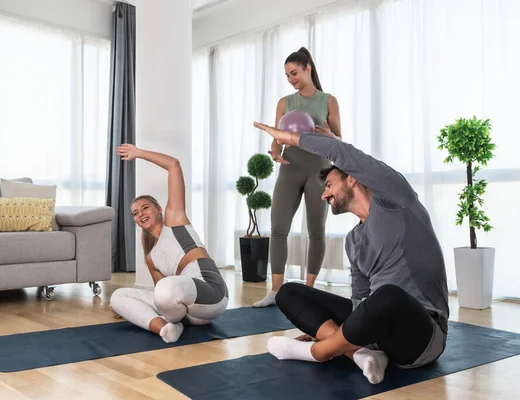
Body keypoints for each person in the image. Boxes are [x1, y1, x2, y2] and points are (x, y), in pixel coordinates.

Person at [252, 121, 449, 385]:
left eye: (329, 185)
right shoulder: (354, 240)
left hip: (421, 336)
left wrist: (287, 136)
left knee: (388, 296)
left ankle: (320, 351)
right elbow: (359, 300)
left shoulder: (396, 199)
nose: (324, 195)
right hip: (377, 333)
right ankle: (358, 352)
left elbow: (346, 155)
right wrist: (351, 330)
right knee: (288, 292)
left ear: (352, 178)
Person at [109, 144, 229, 343]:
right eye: (136, 214)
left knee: (165, 289)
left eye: (145, 208)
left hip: (211, 295)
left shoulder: (175, 221)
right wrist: (131, 307)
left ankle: (169, 321)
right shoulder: (151, 258)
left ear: (158, 209)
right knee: (118, 297)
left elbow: (173, 165)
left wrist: (139, 153)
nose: (141, 214)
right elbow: (161, 298)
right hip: (186, 311)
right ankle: (166, 328)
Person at [253, 47, 342, 308]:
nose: (291, 78)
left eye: (294, 72)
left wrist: (328, 136)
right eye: (287, 75)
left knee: (316, 230)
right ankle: (276, 292)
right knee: (278, 228)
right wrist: (274, 151)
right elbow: (278, 138)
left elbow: (339, 141)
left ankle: (309, 290)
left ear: (307, 69)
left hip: (319, 168)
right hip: (290, 167)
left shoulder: (328, 100)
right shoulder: (285, 102)